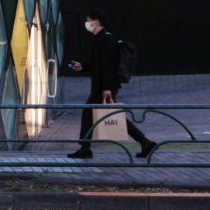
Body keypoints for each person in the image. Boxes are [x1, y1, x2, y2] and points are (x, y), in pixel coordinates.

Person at [67, 9, 157, 160]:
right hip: (102, 86)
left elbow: (108, 66)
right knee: (104, 114)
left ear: (96, 21)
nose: (86, 23)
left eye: (88, 20)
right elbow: (98, 64)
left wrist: (107, 88)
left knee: (91, 113)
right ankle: (145, 143)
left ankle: (85, 148)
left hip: (104, 87)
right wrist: (82, 66)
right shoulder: (100, 39)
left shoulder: (106, 40)